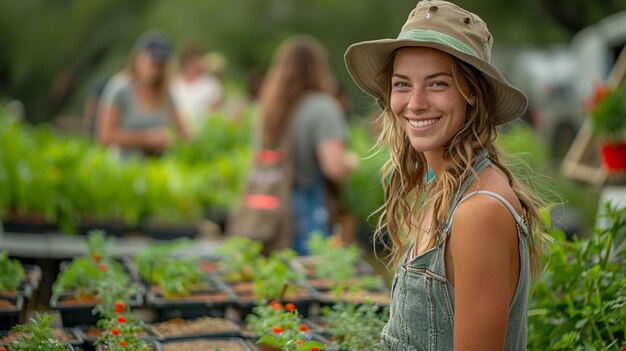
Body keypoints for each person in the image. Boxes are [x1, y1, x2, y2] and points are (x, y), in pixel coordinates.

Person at [344, 1, 548, 349]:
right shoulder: (447, 188)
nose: (416, 102)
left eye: (437, 84)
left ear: (472, 93)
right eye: (402, 84)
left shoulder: (479, 211)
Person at [258, 34, 358, 255]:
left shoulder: (269, 108)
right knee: (309, 281)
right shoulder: (321, 107)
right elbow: (334, 168)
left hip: (269, 206)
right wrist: (350, 161)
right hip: (306, 210)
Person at [97, 30, 189, 157]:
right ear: (138, 58)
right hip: (124, 168)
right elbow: (105, 136)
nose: (157, 70)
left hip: (157, 169)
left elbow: (184, 133)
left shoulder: (166, 94)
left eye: (161, 65)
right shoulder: (119, 89)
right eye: (153, 63)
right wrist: (149, 138)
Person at [171, 45, 224, 134]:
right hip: (177, 130)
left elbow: (215, 111)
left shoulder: (211, 83)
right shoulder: (174, 83)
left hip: (203, 131)